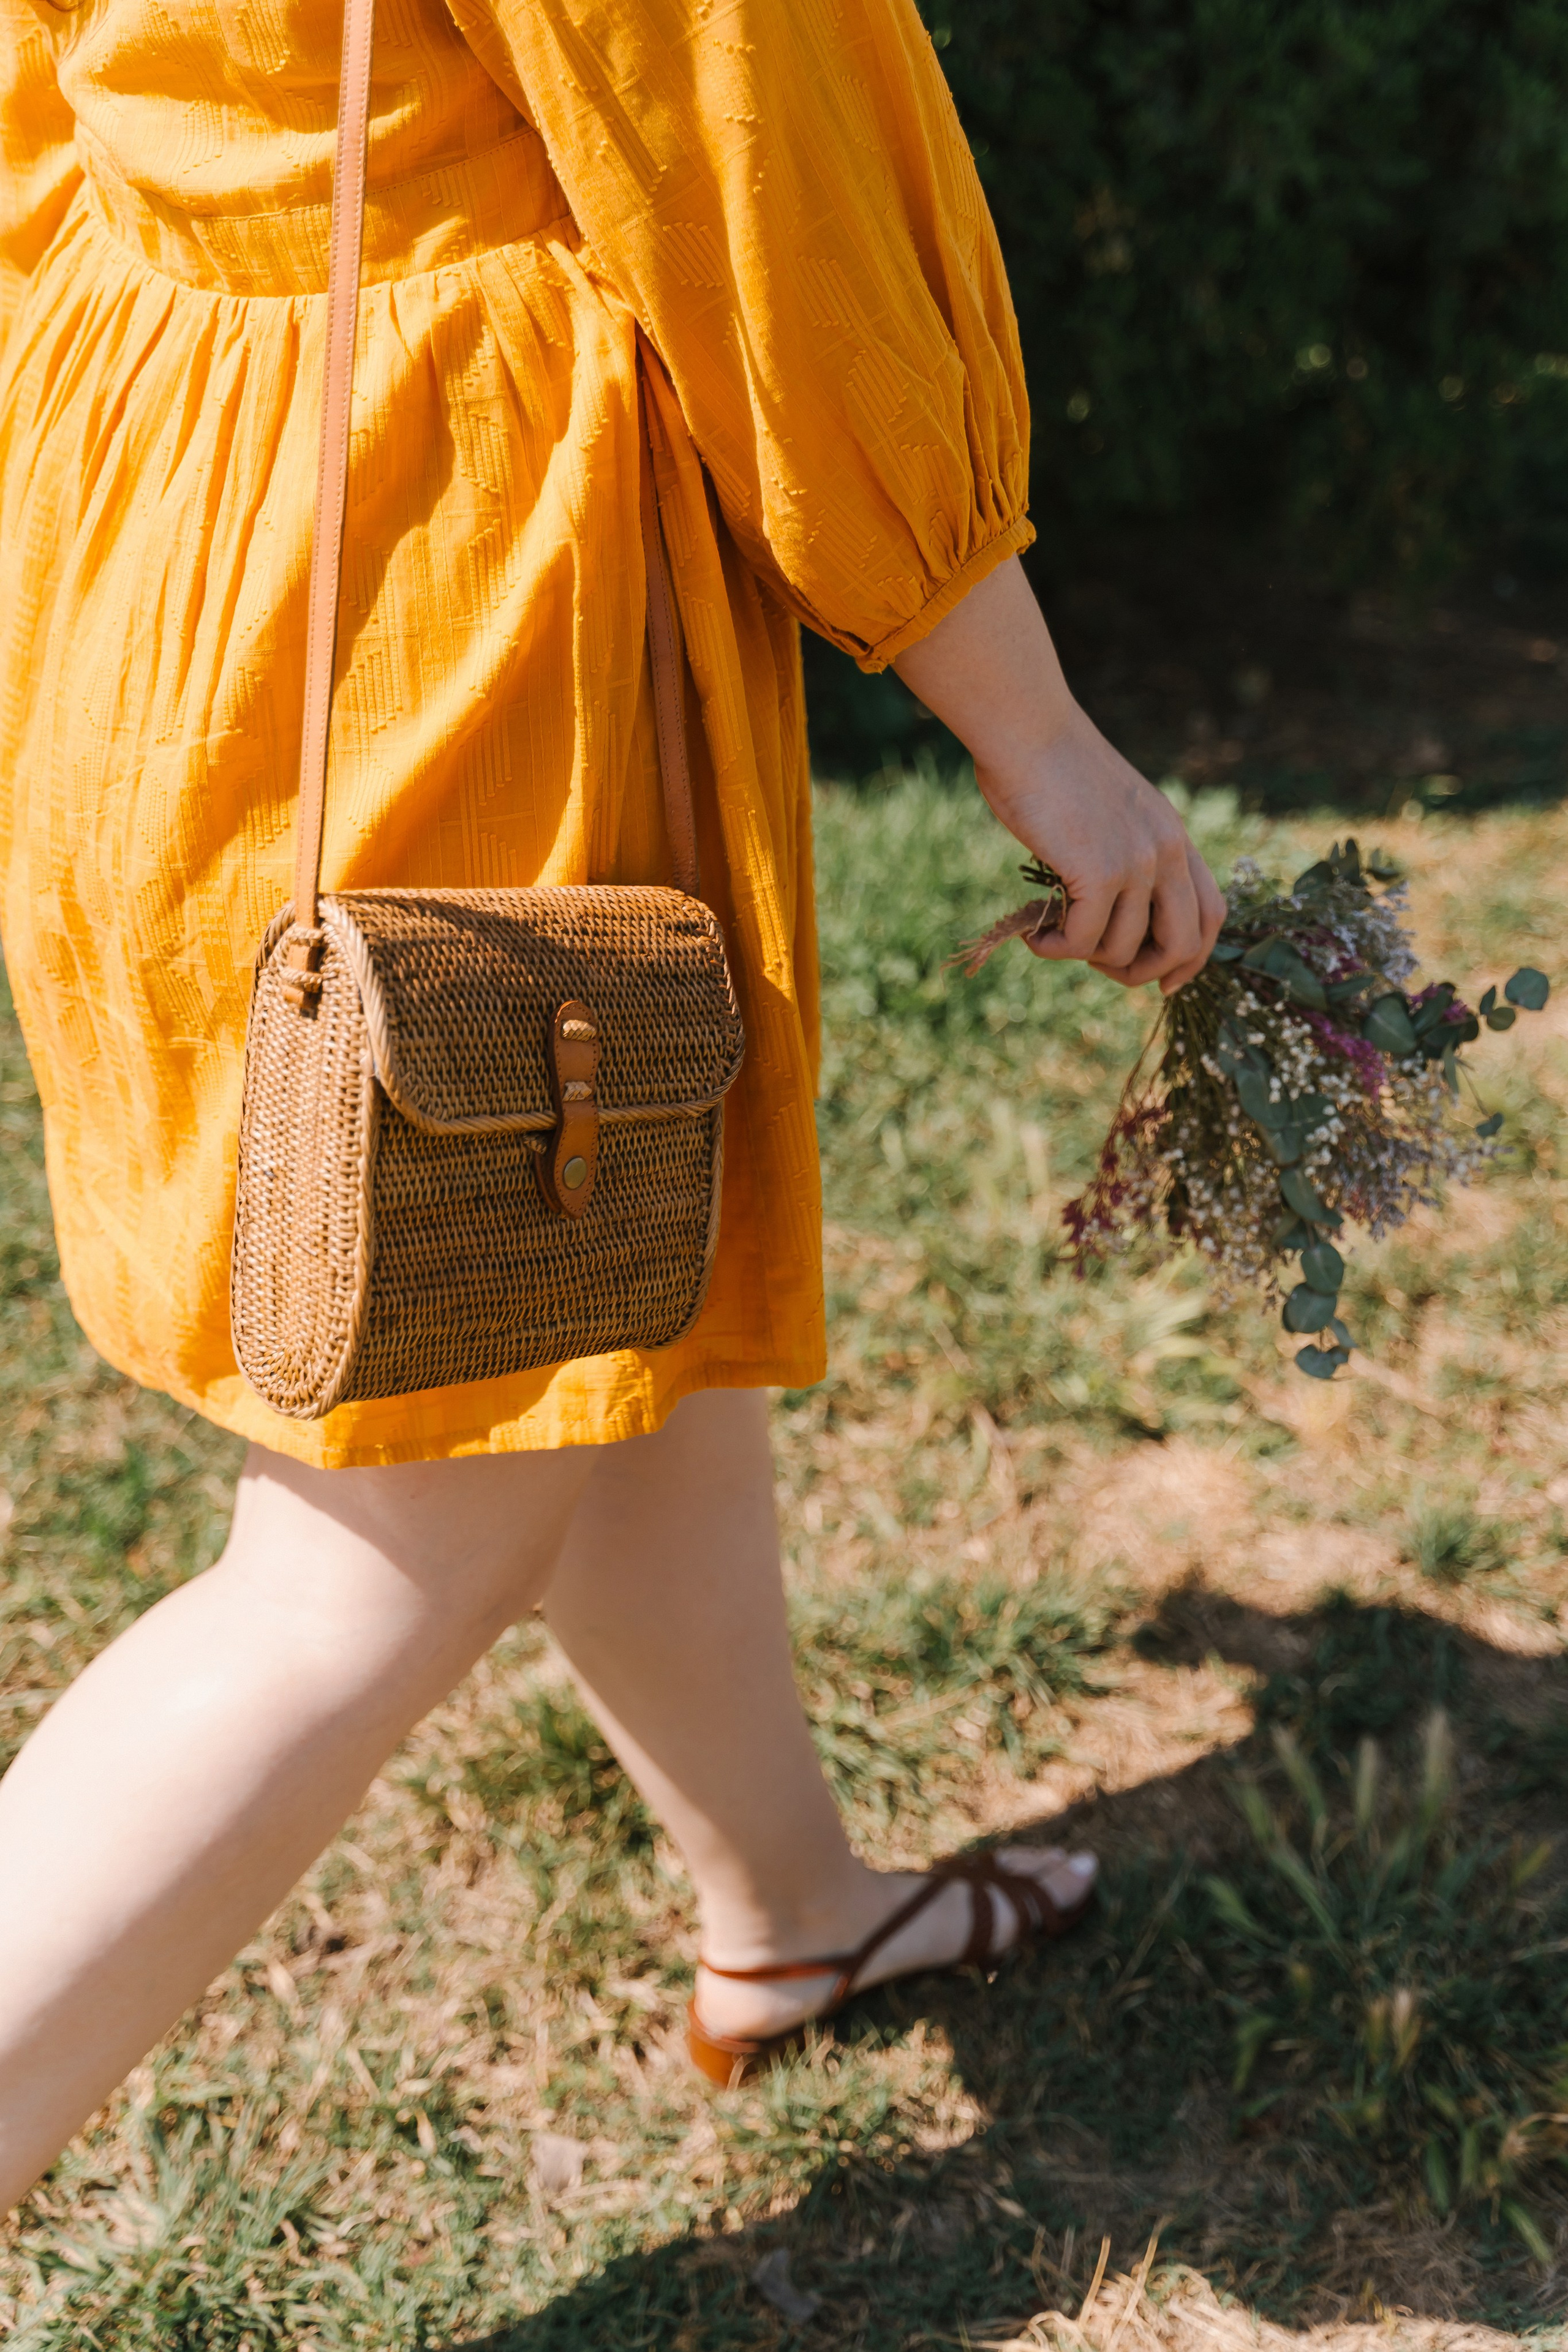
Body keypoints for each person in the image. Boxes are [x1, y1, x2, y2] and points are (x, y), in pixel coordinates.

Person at [0, 0, 1225, 2204]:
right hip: (433, 574)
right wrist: (1032, 725)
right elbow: (752, 171)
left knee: (586, 1246)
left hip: (167, 499)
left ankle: (790, 1910)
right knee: (373, 1549)